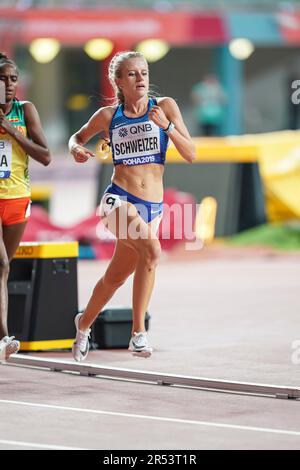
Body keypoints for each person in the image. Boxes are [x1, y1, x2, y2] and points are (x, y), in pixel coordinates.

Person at [69, 50, 196, 361]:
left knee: (115, 277)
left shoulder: (165, 107)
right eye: (132, 74)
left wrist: (167, 127)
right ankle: (138, 334)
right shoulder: (109, 117)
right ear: (118, 82)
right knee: (152, 250)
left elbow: (191, 153)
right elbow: (77, 137)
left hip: (152, 207)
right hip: (117, 201)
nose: (140, 79)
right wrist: (76, 149)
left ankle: (83, 325)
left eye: (144, 72)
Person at [0, 52, 51, 360]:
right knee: (1, 265)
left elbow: (45, 155)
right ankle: (4, 337)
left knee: (2, 272)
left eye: (13, 79)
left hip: (18, 199)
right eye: (2, 79)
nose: (9, 85)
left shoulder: (25, 110)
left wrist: (12, 131)